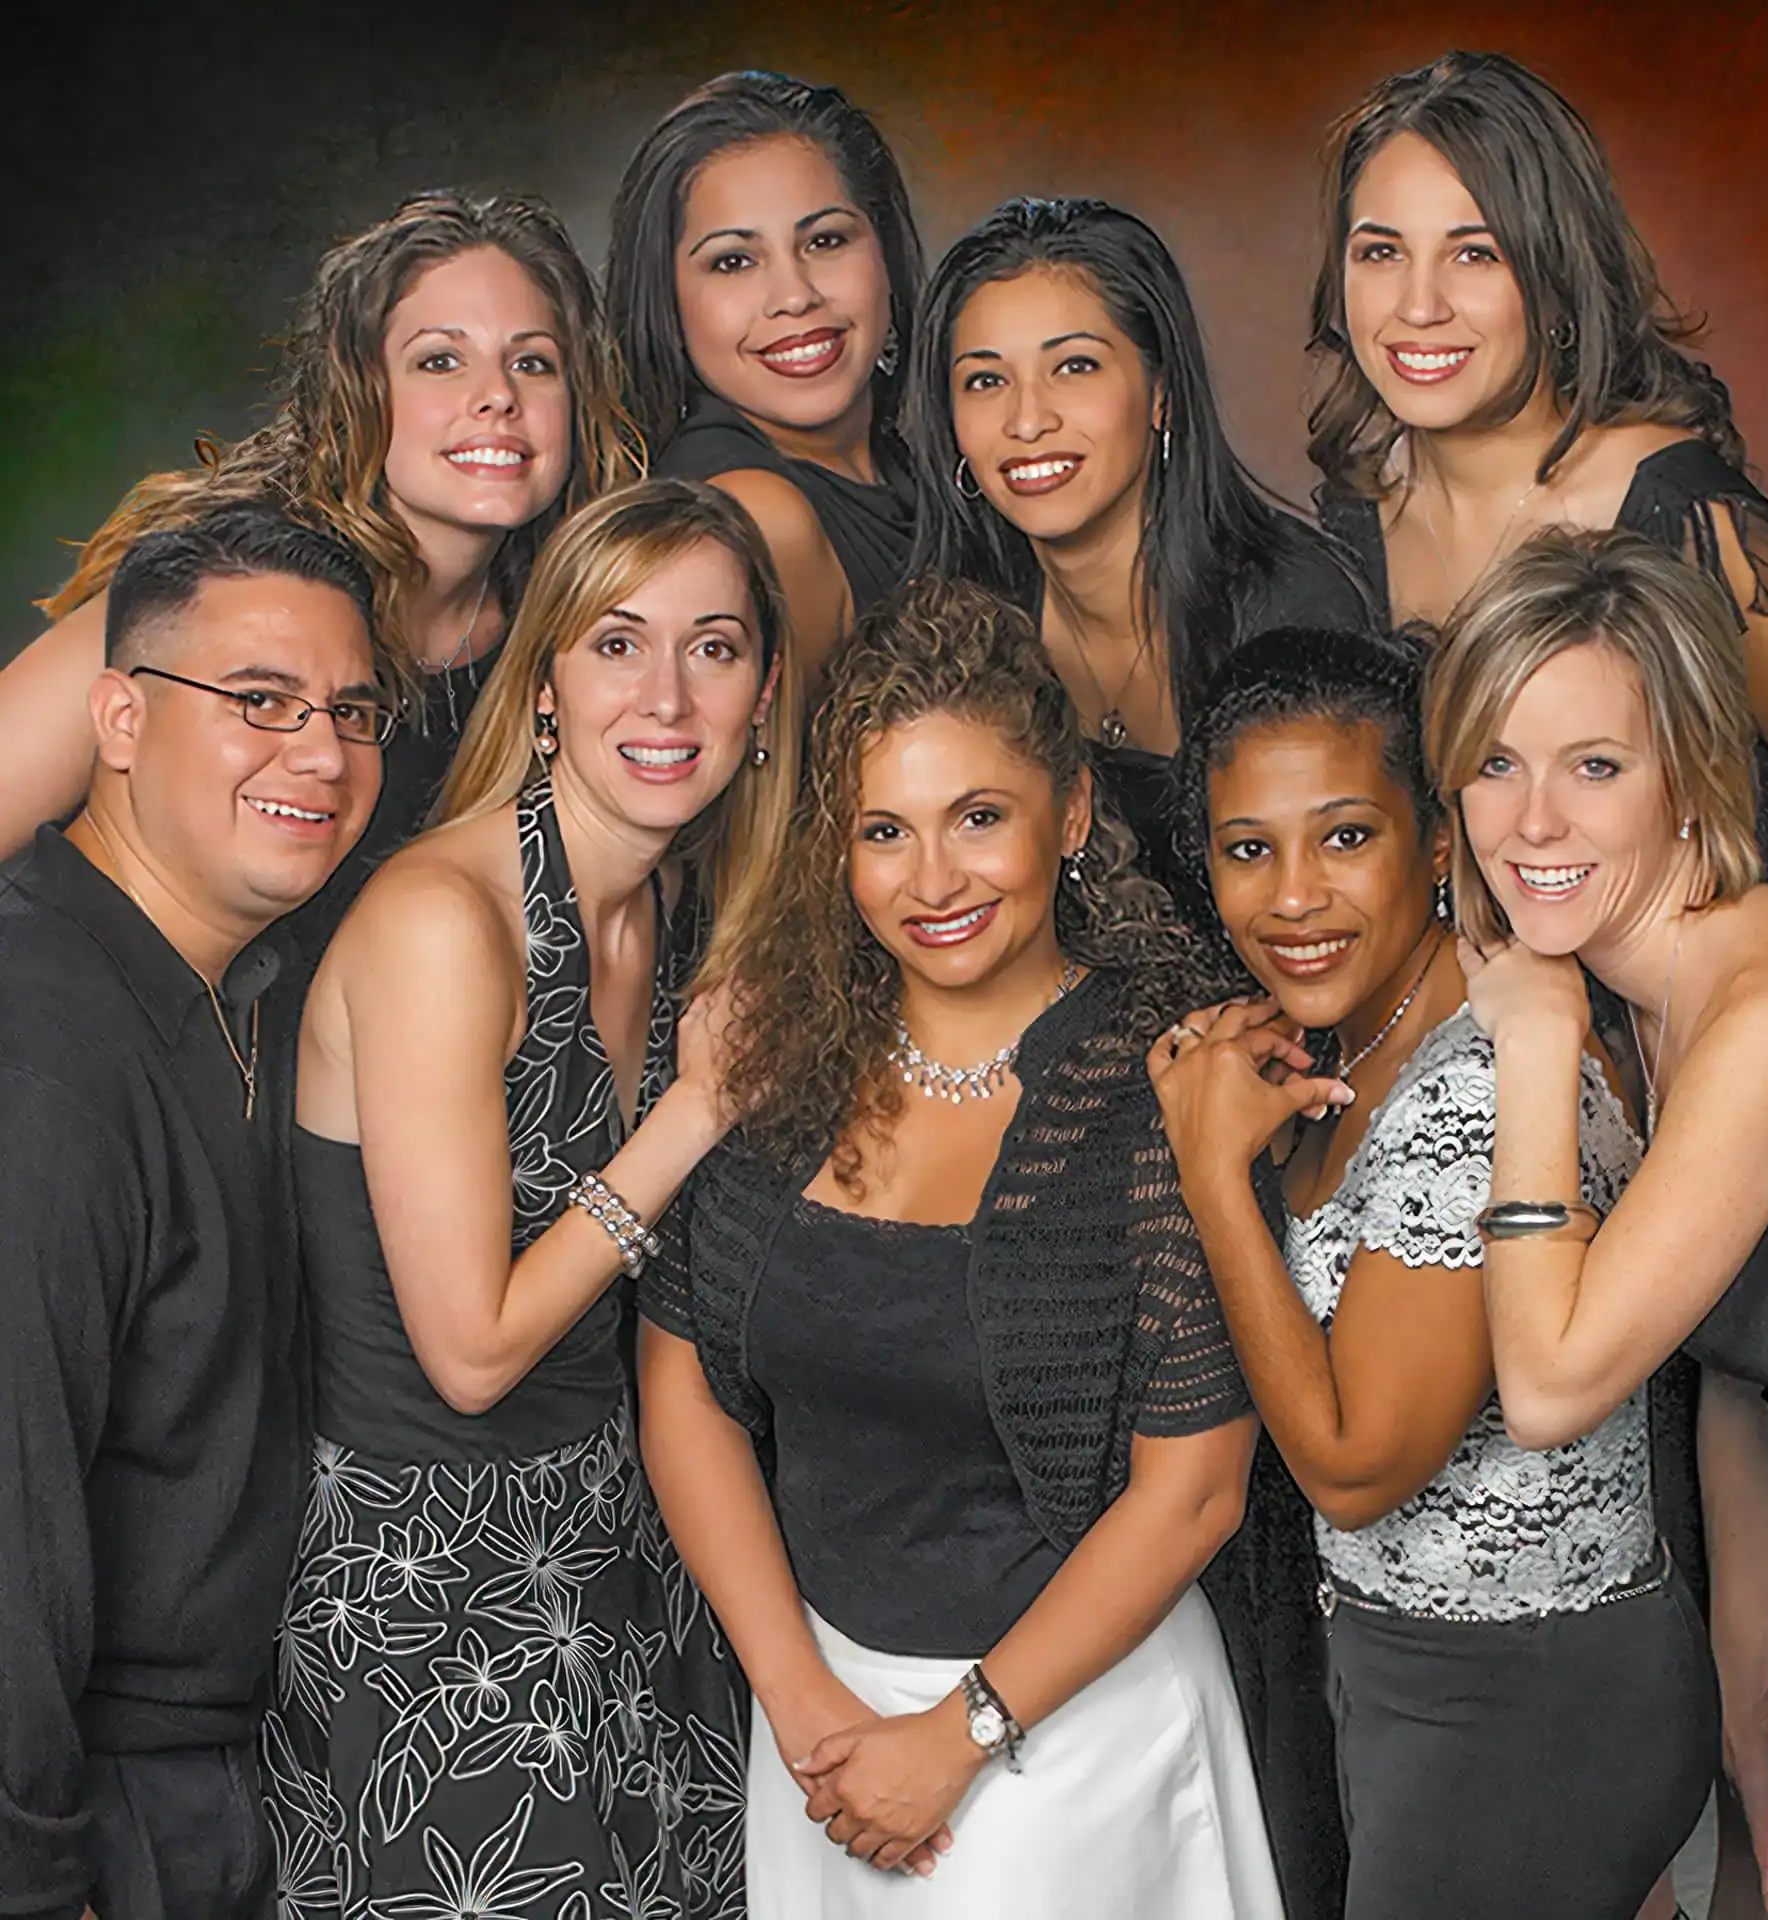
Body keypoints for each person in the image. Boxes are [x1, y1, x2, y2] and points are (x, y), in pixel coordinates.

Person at [636, 577, 1283, 1917]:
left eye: (978, 818)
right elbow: (685, 1389)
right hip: (823, 1739)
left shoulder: (1159, 1080)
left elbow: (1196, 1496)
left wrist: (956, 1739)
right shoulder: (783, 1063)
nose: (932, 881)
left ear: (1075, 815)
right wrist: (806, 1703)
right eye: (885, 831)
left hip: (1076, 1754)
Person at [261, 479, 797, 1919]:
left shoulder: (673, 915)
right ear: (547, 681)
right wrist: (693, 1111)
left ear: (762, 698)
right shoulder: (443, 921)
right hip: (435, 1598)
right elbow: (475, 1349)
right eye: (618, 643)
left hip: (621, 1548)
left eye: (717, 647)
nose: (668, 694)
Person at [1153, 624, 1715, 1919]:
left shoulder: (1478, 1089)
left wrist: (1208, 1174)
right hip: (1431, 1675)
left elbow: (1354, 1469)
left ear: (1440, 845)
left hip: (1520, 1697)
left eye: (1346, 836)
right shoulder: (1362, 1046)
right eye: (1250, 850)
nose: (1293, 895)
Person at [1427, 526, 1768, 1918]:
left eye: (1594, 766)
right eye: (1495, 762)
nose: (1533, 823)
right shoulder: (1658, 993)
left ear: (1691, 777)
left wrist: (1534, 1046)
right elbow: (1743, 1372)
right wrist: (1749, 1700)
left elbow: (1549, 1384)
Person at [0, 505, 386, 1918]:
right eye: (259, 702)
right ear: (115, 718)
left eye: (351, 708)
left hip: (227, 1773)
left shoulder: (242, 985)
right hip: (96, 1815)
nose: (322, 752)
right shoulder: (39, 1056)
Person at [2, 188, 639, 965]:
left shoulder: (572, 633)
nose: (498, 397)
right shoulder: (229, 594)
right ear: (358, 394)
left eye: (533, 363)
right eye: (441, 360)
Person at [1308, 49, 1768, 902]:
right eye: (1380, 252)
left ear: (1554, 276)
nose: (1418, 304)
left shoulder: (1687, 515)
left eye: (1475, 255)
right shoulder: (1355, 522)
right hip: (1513, 1021)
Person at [904, 194, 1366, 919]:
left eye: (1075, 367)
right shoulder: (956, 629)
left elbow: (1351, 898)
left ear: (1161, 393)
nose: (1027, 421)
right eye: (986, 380)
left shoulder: (1293, 609)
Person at [608, 71, 923, 686]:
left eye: (826, 240)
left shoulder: (908, 464)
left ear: (885, 256)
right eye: (734, 261)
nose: (794, 297)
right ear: (667, 302)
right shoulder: (758, 515)